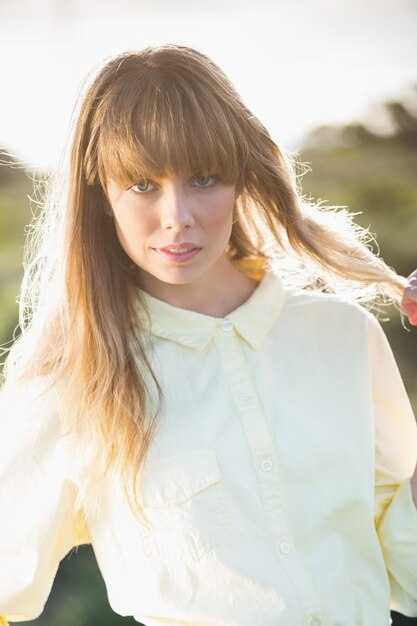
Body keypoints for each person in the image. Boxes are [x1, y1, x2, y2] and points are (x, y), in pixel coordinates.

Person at [0, 44, 416, 626]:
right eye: (143, 184)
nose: (177, 216)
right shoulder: (72, 375)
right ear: (101, 195)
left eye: (203, 178)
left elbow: (404, 555)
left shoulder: (344, 336)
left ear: (243, 178)